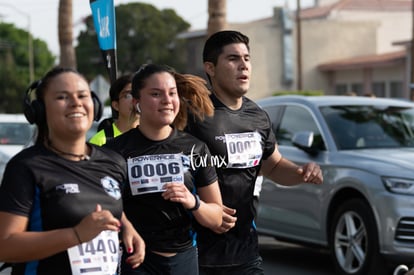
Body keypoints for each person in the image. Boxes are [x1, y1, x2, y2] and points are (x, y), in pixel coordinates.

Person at [185, 30, 323, 274]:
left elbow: (274, 166)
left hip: (245, 251)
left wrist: (301, 172)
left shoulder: (258, 116)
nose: (243, 66)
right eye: (233, 59)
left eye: (247, 58)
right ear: (210, 68)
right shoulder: (193, 115)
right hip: (197, 253)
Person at [0, 67, 145, 274]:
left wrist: (127, 227)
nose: (76, 102)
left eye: (82, 95)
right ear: (40, 109)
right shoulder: (26, 167)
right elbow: (4, 246)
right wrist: (76, 235)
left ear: (94, 105)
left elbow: (104, 203)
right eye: (62, 97)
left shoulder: (113, 162)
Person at [105, 64, 223, 275]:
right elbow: (101, 207)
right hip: (135, 260)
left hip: (183, 261)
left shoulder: (195, 148)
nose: (167, 100)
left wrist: (193, 202)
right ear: (136, 102)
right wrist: (125, 226)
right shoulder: (115, 151)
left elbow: (216, 217)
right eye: (156, 94)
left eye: (172, 93)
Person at [89, 74, 139, 145]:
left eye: (138, 94)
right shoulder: (101, 141)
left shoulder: (153, 135)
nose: (135, 100)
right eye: (128, 96)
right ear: (116, 105)